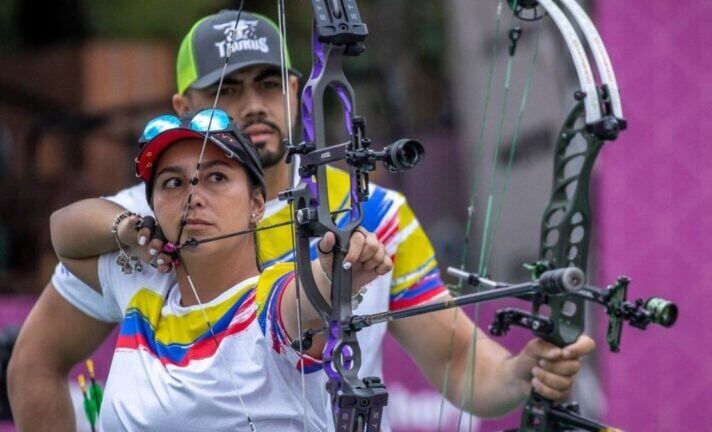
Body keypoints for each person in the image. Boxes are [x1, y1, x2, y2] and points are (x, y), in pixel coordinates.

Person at [8, 9, 595, 431]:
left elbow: (454, 361)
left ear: (296, 91)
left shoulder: (375, 213)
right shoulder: (149, 218)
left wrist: (520, 375)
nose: (252, 105)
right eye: (226, 90)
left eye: (268, 84)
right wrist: (126, 229)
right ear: (183, 108)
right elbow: (36, 361)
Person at [50, 109, 392, 430]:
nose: (193, 196)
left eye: (216, 177)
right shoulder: (145, 284)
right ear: (152, 204)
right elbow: (63, 233)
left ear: (256, 204)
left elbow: (311, 296)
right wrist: (127, 228)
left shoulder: (269, 302)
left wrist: (338, 270)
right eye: (173, 183)